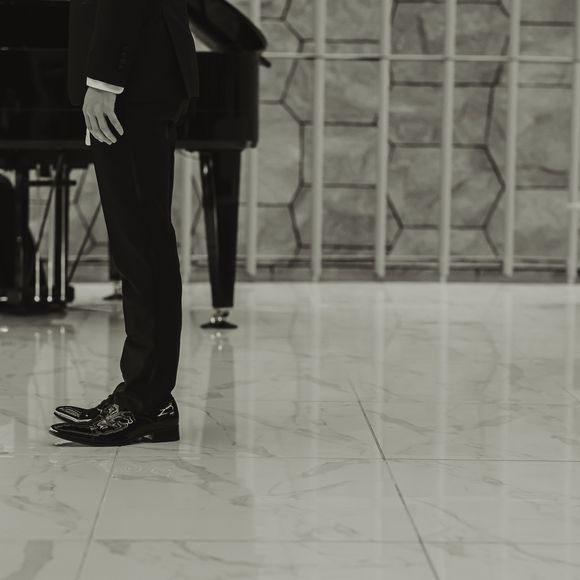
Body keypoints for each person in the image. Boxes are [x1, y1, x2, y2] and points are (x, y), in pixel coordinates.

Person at [49, 0, 199, 446]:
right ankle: (143, 394)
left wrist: (104, 80)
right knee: (138, 242)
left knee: (143, 243)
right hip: (138, 75)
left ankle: (146, 402)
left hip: (135, 78)